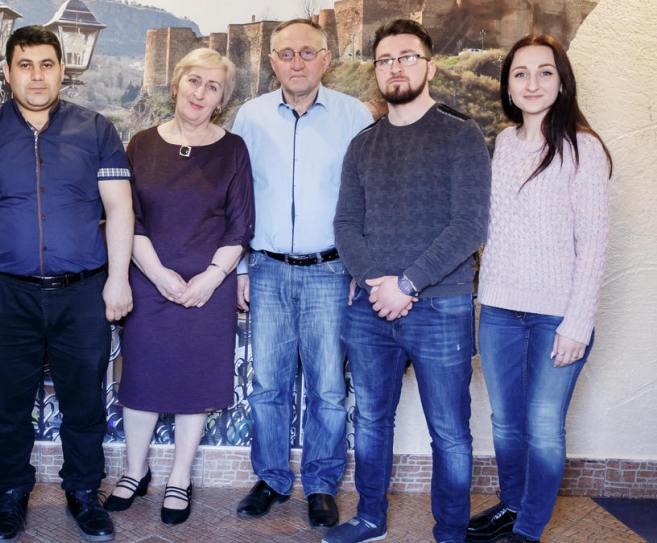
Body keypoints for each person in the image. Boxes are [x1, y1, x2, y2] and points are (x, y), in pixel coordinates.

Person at [0, 26, 133, 543]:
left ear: (62, 69)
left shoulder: (97, 129)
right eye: (25, 64)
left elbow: (120, 206)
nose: (36, 74)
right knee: (8, 406)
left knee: (84, 402)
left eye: (46, 64)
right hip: (6, 293)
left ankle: (82, 494)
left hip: (83, 292)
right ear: (7, 72)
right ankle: (9, 496)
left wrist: (118, 280)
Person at [327, 19, 491, 543]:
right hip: (371, 305)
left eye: (407, 57)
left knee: (450, 432)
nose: (396, 67)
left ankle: (450, 531)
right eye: (385, 60)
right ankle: (371, 518)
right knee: (371, 422)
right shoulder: (363, 144)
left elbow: (469, 225)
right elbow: (345, 224)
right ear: (376, 70)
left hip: (440, 306)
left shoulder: (461, 134)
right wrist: (377, 281)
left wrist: (408, 284)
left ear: (429, 65)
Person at [466, 35, 611, 543]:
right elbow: (490, 229)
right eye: (520, 73)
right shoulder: (503, 144)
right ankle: (510, 506)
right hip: (501, 311)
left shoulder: (582, 147)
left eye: (544, 72)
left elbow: (593, 245)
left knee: (544, 428)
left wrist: (578, 323)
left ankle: (528, 529)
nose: (532, 83)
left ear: (562, 80)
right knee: (505, 424)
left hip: (557, 317)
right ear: (508, 85)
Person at [102, 48, 254, 526]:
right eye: (194, 81)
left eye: (213, 87)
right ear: (177, 84)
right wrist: (158, 275)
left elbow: (241, 225)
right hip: (150, 281)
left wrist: (211, 279)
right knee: (142, 379)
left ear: (222, 99)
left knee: (195, 383)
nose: (200, 93)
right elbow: (128, 217)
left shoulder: (233, 149)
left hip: (210, 287)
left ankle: (180, 477)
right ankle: (134, 471)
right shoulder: (141, 145)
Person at [232, 19, 373, 529]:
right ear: (272, 61)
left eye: (307, 53)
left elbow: (367, 197)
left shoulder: (353, 115)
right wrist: (241, 268)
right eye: (286, 54)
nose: (296, 62)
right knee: (268, 383)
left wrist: (362, 266)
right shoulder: (249, 117)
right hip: (266, 271)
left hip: (330, 272)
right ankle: (270, 478)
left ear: (326, 58)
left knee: (328, 388)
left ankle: (321, 485)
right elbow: (236, 199)